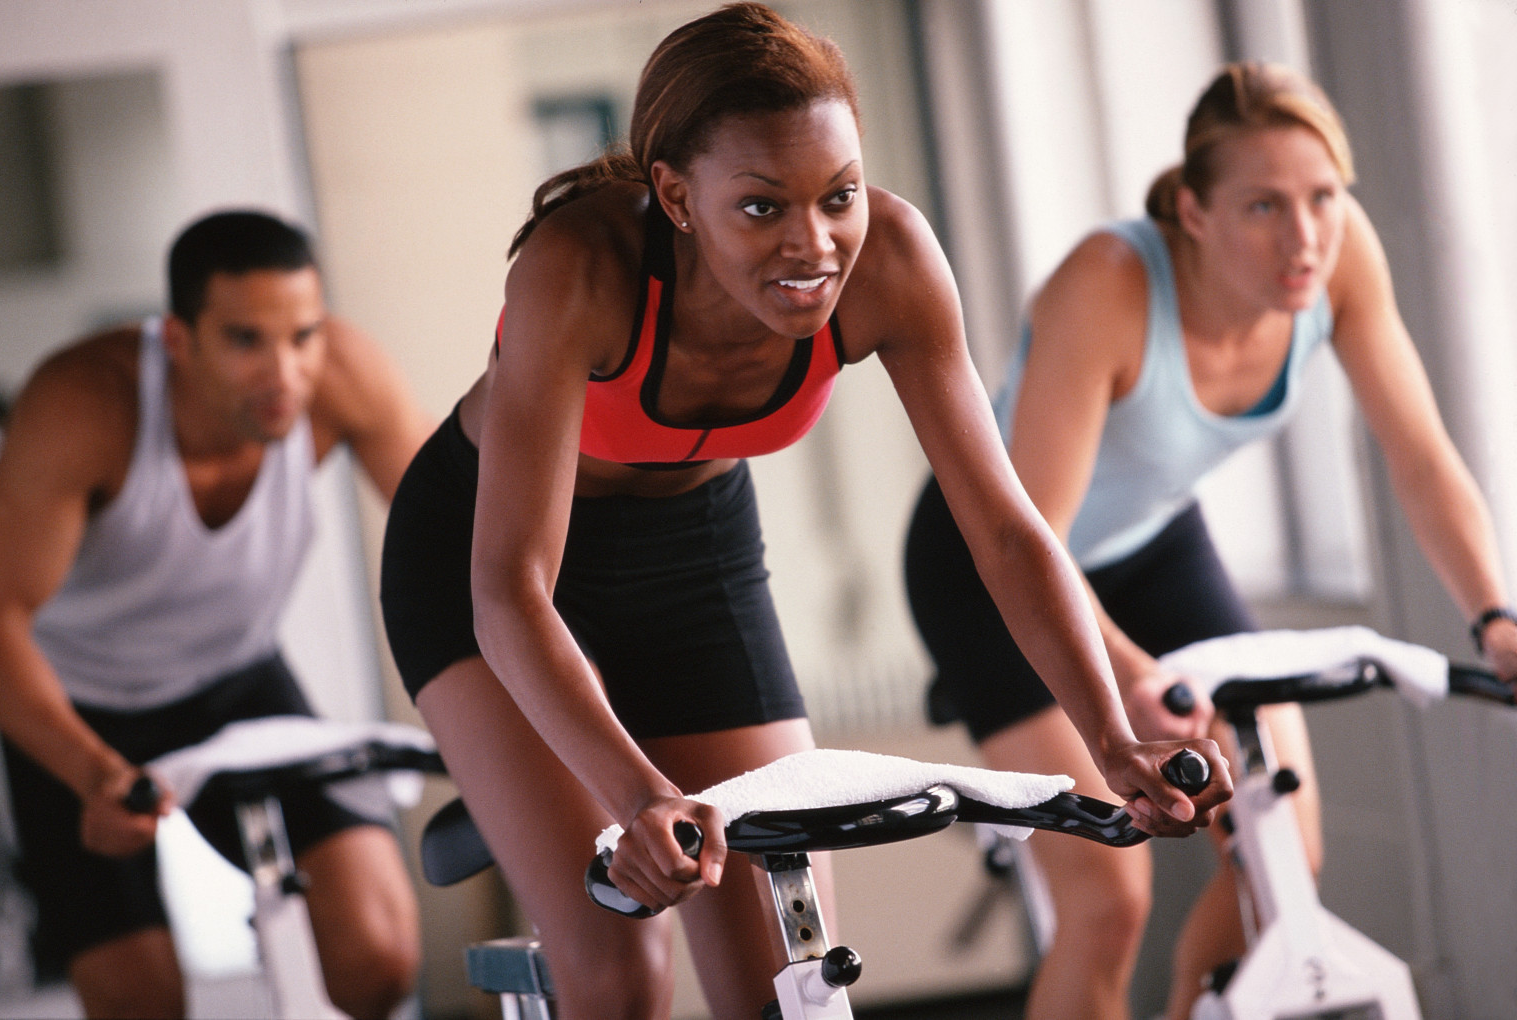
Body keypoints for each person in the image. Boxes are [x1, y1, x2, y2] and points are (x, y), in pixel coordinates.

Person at [377, 5, 1232, 1018]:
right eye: (761, 208)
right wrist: (641, 795)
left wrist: (1110, 731)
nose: (814, 242)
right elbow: (512, 590)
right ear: (677, 197)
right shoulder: (580, 270)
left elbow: (1004, 528)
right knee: (615, 965)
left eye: (840, 195)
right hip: (487, 554)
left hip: (695, 552)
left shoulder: (895, 263)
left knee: (792, 976)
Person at [903, 61, 1517, 1020]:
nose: (1305, 234)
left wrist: (1495, 615)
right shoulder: (1106, 284)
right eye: (1264, 207)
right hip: (995, 560)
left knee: (1282, 849)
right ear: (1192, 211)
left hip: (1151, 542)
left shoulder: (1338, 260)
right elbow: (1036, 539)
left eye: (1323, 197)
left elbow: (1424, 458)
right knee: (1109, 898)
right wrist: (1135, 675)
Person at [0, 210, 435, 1020]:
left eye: (303, 335)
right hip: (78, 705)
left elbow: (467, 547)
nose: (285, 372)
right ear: (179, 340)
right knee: (139, 1004)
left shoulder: (344, 376)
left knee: (380, 956)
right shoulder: (85, 403)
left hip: (239, 681)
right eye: (246, 340)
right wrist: (92, 773)